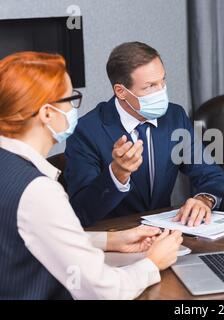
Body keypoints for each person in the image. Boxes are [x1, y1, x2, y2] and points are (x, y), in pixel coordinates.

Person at [0, 52, 183, 299]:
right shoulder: (37, 191)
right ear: (46, 114)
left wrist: (109, 240)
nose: (74, 108)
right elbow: (102, 290)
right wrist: (152, 263)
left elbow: (38, 234)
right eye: (70, 99)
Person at [65, 42, 224, 227]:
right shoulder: (86, 131)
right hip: (115, 238)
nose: (161, 91)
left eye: (163, 81)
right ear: (121, 91)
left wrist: (204, 199)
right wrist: (117, 174)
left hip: (163, 235)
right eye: (150, 86)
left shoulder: (174, 117)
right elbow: (81, 211)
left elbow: (212, 175)